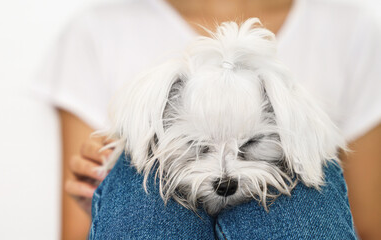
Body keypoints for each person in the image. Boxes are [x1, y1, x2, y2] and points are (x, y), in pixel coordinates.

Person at [33, 0, 381, 239]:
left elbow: (370, 226)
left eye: (247, 146)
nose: (224, 175)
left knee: (307, 185)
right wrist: (105, 201)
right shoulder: (95, 32)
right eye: (199, 148)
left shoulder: (351, 29)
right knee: (132, 175)